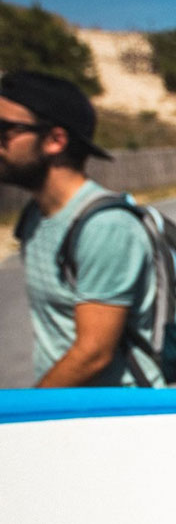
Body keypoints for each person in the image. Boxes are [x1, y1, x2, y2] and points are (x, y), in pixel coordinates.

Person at [3, 71, 162, 388]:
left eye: (4, 131)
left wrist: (29, 411)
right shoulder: (34, 216)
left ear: (55, 140)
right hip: (68, 406)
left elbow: (93, 354)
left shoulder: (106, 227)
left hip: (113, 414)